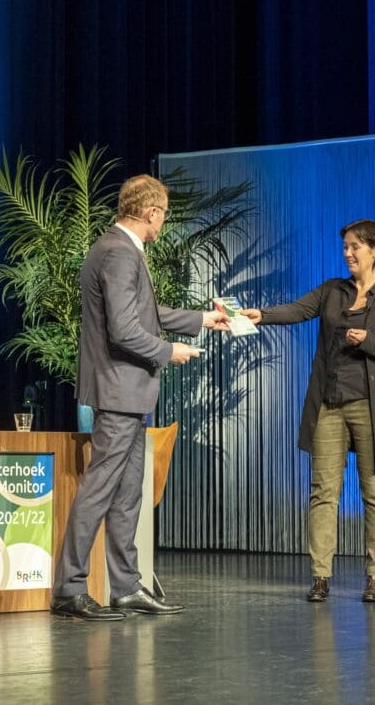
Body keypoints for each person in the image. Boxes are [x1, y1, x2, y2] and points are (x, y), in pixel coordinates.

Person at [50, 174, 230, 620]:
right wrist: (171, 352)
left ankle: (126, 587)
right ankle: (69, 589)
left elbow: (144, 313)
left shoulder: (122, 249)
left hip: (130, 392)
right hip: (117, 389)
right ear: (151, 213)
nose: (163, 223)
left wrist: (203, 319)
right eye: (163, 215)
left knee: (128, 493)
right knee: (99, 489)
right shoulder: (117, 252)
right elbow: (125, 329)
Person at [243, 219, 375, 603]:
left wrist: (371, 341)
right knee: (324, 493)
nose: (348, 253)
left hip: (372, 410)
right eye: (346, 247)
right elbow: (296, 310)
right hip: (330, 405)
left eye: (355, 246)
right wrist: (262, 314)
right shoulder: (332, 291)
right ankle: (321, 576)